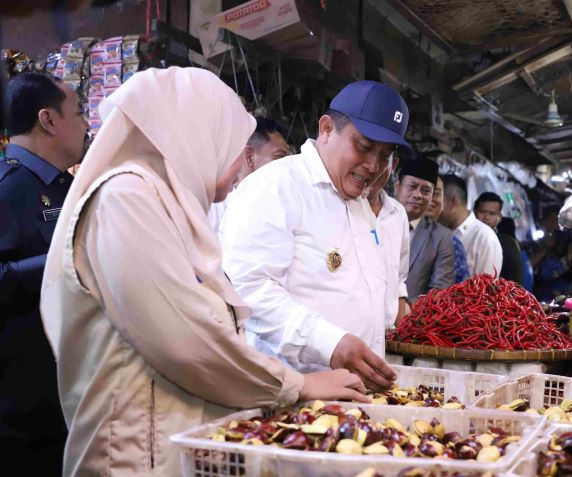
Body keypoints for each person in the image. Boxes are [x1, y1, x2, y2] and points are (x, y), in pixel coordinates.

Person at [39, 67, 368, 476]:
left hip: (172, 448)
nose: (240, 163)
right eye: (232, 146)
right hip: (134, 456)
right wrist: (294, 384)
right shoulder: (125, 199)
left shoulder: (171, 206)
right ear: (194, 136)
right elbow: (183, 339)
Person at [221, 80, 407, 392]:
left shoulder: (361, 205)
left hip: (357, 396)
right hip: (292, 399)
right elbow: (248, 289)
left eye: (385, 155)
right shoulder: (276, 186)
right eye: (363, 147)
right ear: (326, 129)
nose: (374, 166)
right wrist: (330, 343)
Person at [0, 72, 88, 473]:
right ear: (48, 120)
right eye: (78, 112)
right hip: (19, 410)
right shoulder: (7, 187)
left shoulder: (64, 187)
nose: (87, 123)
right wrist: (68, 260)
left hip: (64, 394)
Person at [208, 117, 290, 232]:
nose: (288, 164)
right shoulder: (210, 208)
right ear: (249, 156)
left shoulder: (284, 207)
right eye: (280, 156)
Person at [394, 155, 456, 301]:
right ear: (397, 187)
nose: (418, 195)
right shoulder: (376, 220)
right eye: (412, 186)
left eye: (426, 190)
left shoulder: (440, 237)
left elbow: (440, 292)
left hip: (410, 320)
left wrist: (406, 312)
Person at [366, 154, 410, 328]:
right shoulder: (342, 206)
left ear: (394, 165)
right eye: (366, 150)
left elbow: (399, 279)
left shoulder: (398, 213)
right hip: (345, 336)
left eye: (383, 159)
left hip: (387, 333)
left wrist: (399, 333)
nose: (372, 168)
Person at [439, 174, 503, 276]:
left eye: (438, 201)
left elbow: (485, 289)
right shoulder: (438, 232)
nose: (432, 206)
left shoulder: (485, 239)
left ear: (453, 202)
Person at [425, 175, 469, 284]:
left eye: (436, 193)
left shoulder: (453, 244)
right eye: (425, 191)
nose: (430, 199)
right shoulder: (394, 231)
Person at [473, 192, 524, 285]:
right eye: (482, 212)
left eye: (492, 213)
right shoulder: (467, 237)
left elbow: (515, 281)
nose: (486, 217)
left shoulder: (508, 244)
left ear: (499, 217)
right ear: (475, 212)